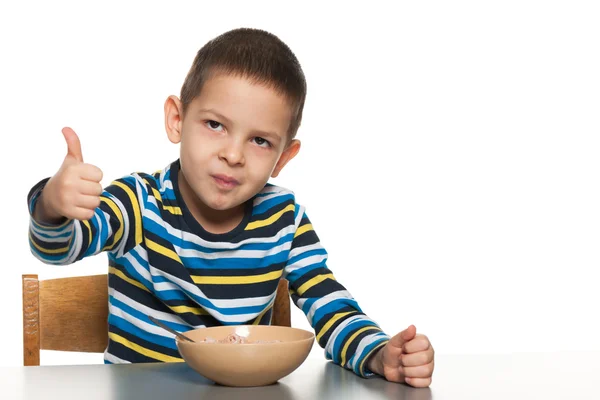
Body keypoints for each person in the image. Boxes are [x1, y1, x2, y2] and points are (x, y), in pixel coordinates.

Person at [27, 28, 434, 387]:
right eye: (215, 125)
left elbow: (330, 306)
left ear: (283, 157)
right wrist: (52, 206)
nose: (233, 154)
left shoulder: (284, 219)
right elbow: (60, 247)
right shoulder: (139, 202)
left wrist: (380, 355)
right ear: (176, 119)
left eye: (260, 141)